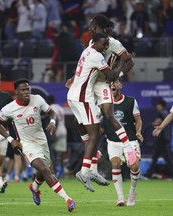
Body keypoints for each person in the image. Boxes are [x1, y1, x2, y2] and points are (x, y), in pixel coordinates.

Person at [66, 15, 135, 191]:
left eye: (91, 26)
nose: (89, 29)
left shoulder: (112, 43)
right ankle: (90, 165)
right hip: (87, 88)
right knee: (92, 130)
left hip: (101, 83)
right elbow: (88, 67)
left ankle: (127, 149)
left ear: (98, 27)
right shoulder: (93, 46)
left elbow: (129, 59)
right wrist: (74, 78)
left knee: (107, 114)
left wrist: (117, 77)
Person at [0, 79, 76, 212]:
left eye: (28, 89)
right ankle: (68, 199)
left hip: (42, 141)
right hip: (26, 144)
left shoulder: (37, 99)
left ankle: (34, 188)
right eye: (23, 90)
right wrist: (11, 139)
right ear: (16, 92)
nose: (26, 92)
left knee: (43, 171)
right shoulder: (9, 108)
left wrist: (53, 121)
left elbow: (51, 112)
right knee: (45, 169)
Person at [101, 79, 143, 206]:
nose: (113, 85)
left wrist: (138, 132)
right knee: (115, 164)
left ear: (120, 85)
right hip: (113, 141)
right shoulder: (103, 103)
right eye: (110, 83)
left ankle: (132, 191)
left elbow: (138, 120)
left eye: (115, 82)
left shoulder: (130, 101)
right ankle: (120, 197)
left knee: (134, 165)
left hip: (130, 140)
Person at [144, 99, 173, 179]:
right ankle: (148, 174)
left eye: (158, 105)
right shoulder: (167, 113)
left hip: (162, 139)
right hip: (165, 138)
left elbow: (157, 122)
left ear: (161, 105)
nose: (156, 107)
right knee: (155, 157)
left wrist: (150, 125)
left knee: (166, 158)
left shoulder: (161, 113)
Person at [47, 95, 67, 178]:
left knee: (53, 153)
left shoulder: (50, 107)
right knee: (61, 153)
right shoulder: (60, 107)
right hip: (63, 129)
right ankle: (62, 171)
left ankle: (56, 171)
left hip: (56, 130)